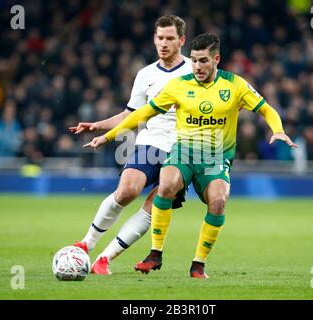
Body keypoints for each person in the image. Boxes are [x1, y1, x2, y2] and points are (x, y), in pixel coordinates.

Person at [83, 33, 297, 278]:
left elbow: (267, 109)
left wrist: (278, 131)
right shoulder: (178, 86)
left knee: (218, 202)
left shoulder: (235, 85)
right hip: (182, 153)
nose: (198, 66)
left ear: (216, 59)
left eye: (204, 61)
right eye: (194, 60)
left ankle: (198, 264)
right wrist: (109, 136)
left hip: (215, 157)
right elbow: (141, 114)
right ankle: (155, 253)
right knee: (166, 185)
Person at [69, 15, 192, 275]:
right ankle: (85, 244)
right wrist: (99, 126)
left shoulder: (195, 70)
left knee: (155, 204)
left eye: (170, 38)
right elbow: (130, 114)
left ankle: (105, 259)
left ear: (181, 40)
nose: (164, 43)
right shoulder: (145, 74)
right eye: (160, 38)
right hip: (150, 142)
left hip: (184, 149)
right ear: (154, 39)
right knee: (126, 191)